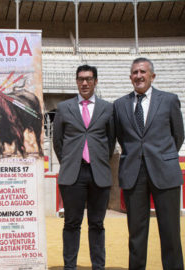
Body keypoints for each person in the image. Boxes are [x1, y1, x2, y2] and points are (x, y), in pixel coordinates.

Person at [113, 57, 185, 270]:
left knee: (170, 232)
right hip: (133, 173)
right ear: (130, 77)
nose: (138, 76)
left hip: (165, 171)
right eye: (135, 72)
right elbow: (119, 136)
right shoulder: (119, 105)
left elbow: (177, 135)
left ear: (152, 76)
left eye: (143, 72)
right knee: (136, 234)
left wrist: (162, 157)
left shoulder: (170, 100)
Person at [53, 65, 115, 270]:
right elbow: (57, 141)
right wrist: (70, 162)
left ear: (95, 81)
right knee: (71, 223)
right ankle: (69, 267)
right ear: (76, 81)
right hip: (73, 173)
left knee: (97, 224)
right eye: (80, 79)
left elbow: (111, 140)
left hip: (99, 172)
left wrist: (98, 160)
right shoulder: (63, 108)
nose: (84, 83)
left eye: (88, 79)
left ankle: (99, 266)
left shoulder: (107, 108)